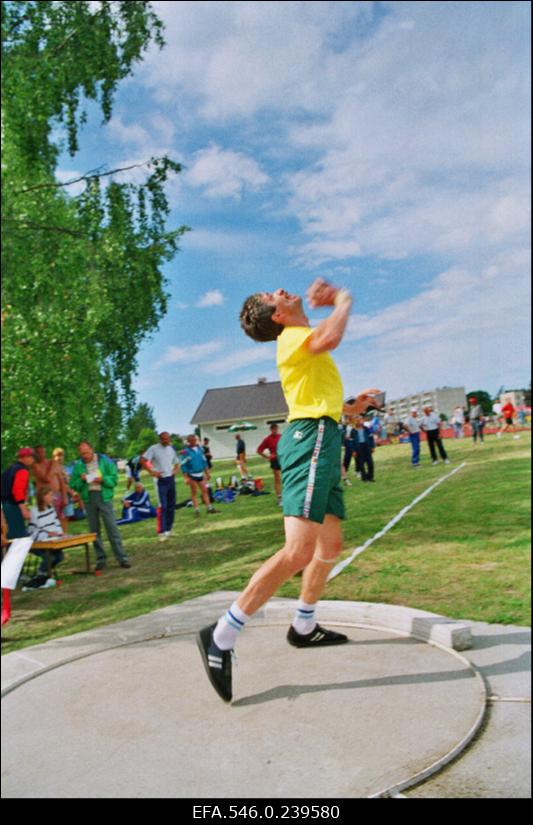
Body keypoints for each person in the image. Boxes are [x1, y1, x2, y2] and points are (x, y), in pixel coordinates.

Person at [196, 278, 380, 703]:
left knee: (329, 545)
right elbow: (331, 335)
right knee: (298, 551)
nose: (280, 289)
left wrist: (354, 406)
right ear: (277, 316)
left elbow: (318, 396)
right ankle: (221, 636)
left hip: (324, 434)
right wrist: (344, 299)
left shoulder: (299, 340)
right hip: (311, 440)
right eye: (271, 295)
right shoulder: (294, 337)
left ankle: (303, 624)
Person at [70, 440, 131, 570]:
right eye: (82, 454)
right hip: (88, 498)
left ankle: (122, 558)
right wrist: (81, 480)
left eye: (86, 452)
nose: (85, 456)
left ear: (91, 449)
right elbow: (73, 484)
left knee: (111, 527)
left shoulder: (104, 460)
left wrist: (103, 480)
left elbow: (114, 479)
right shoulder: (79, 465)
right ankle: (101, 559)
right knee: (94, 530)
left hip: (103, 496)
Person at [141, 432, 180, 541]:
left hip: (170, 479)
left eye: (168, 439)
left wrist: (176, 470)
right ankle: (162, 532)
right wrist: (152, 472)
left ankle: (169, 529)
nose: (166, 441)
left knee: (172, 505)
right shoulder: (153, 449)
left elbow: (177, 462)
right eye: (164, 439)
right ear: (160, 439)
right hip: (161, 480)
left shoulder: (171, 449)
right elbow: (143, 460)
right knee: (163, 505)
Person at [25, 485, 65, 589]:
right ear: (43, 496)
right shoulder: (34, 511)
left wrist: (59, 533)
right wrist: (47, 534)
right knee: (50, 557)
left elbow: (56, 524)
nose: (53, 497)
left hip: (52, 540)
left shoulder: (51, 508)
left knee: (60, 557)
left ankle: (46, 573)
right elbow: (32, 531)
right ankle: (41, 574)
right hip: (38, 542)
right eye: (50, 495)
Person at [179, 435, 219, 518]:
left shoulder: (200, 449)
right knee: (194, 493)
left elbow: (204, 462)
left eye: (195, 440)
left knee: (205, 491)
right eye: (191, 440)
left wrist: (207, 473)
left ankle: (209, 508)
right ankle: (197, 510)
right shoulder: (185, 452)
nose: (193, 441)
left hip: (200, 474)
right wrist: (186, 477)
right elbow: (183, 465)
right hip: (191, 475)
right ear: (188, 441)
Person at [32, 445, 69, 530]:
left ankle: (64, 538)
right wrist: (52, 467)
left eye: (43, 452)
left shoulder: (53, 463)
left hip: (57, 495)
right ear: (35, 454)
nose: (41, 454)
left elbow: (62, 482)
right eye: (38, 452)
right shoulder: (35, 466)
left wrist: (65, 497)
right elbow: (46, 479)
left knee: (62, 518)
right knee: (48, 521)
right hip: (44, 498)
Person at [1, 448, 34, 539]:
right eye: (30, 456)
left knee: (9, 533)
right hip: (13, 506)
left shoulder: (10, 469)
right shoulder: (22, 470)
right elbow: (18, 491)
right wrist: (24, 509)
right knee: (18, 536)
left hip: (5, 505)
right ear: (23, 458)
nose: (32, 459)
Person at [257, 424, 283, 503]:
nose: (275, 430)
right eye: (273, 429)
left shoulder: (281, 437)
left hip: (283, 458)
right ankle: (279, 498)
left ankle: (288, 496)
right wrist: (268, 457)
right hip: (274, 460)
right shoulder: (267, 439)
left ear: (277, 429)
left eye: (276, 429)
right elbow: (259, 450)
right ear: (271, 430)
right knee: (277, 478)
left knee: (286, 478)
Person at [351, 415, 376, 481]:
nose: (360, 422)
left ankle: (370, 477)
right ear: (356, 422)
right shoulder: (353, 431)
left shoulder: (366, 429)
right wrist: (353, 451)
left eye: (361, 420)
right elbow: (352, 442)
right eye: (358, 420)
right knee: (361, 464)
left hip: (367, 446)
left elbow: (371, 438)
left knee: (370, 463)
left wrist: (373, 446)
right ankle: (364, 478)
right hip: (358, 447)